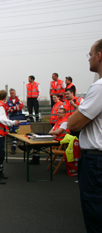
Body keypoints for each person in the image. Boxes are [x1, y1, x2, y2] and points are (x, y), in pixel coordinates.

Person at [68, 39, 102, 233]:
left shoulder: (98, 87)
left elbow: (74, 123)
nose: (88, 59)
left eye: (90, 54)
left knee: (95, 216)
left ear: (99, 56)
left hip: (96, 160)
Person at [0, 90, 20, 184]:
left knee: (0, 154)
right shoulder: (0, 106)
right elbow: (1, 119)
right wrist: (13, 123)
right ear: (5, 98)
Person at [4, 88, 24, 154]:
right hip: (11, 118)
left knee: (17, 131)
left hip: (18, 118)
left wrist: (12, 108)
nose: (12, 94)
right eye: (11, 93)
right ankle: (13, 146)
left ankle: (14, 147)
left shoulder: (19, 100)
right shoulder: (7, 101)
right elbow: (7, 109)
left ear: (15, 93)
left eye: (13, 93)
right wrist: (15, 108)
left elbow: (20, 107)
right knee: (12, 131)